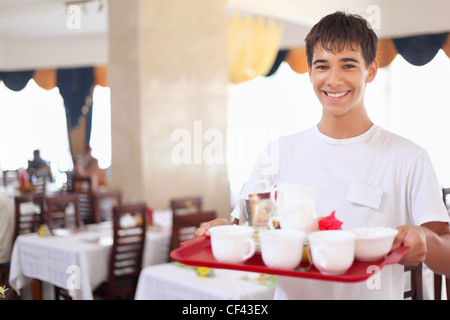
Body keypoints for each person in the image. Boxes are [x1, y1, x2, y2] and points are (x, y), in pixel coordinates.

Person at [195, 11, 450, 299]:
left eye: (348, 65)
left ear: (372, 70)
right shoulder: (278, 154)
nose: (334, 79)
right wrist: (224, 231)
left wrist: (426, 240)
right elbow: (248, 230)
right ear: (310, 71)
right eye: (322, 66)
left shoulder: (408, 158)